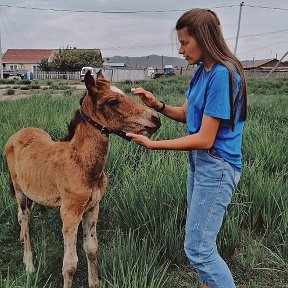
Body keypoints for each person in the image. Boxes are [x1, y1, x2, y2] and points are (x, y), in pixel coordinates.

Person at [126, 8, 247, 288]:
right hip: (201, 163)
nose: (180, 50)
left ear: (204, 39)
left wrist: (154, 145)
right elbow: (187, 113)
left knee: (198, 249)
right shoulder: (202, 72)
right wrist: (157, 105)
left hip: (216, 167)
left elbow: (205, 138)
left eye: (184, 43)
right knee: (201, 241)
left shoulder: (221, 74)